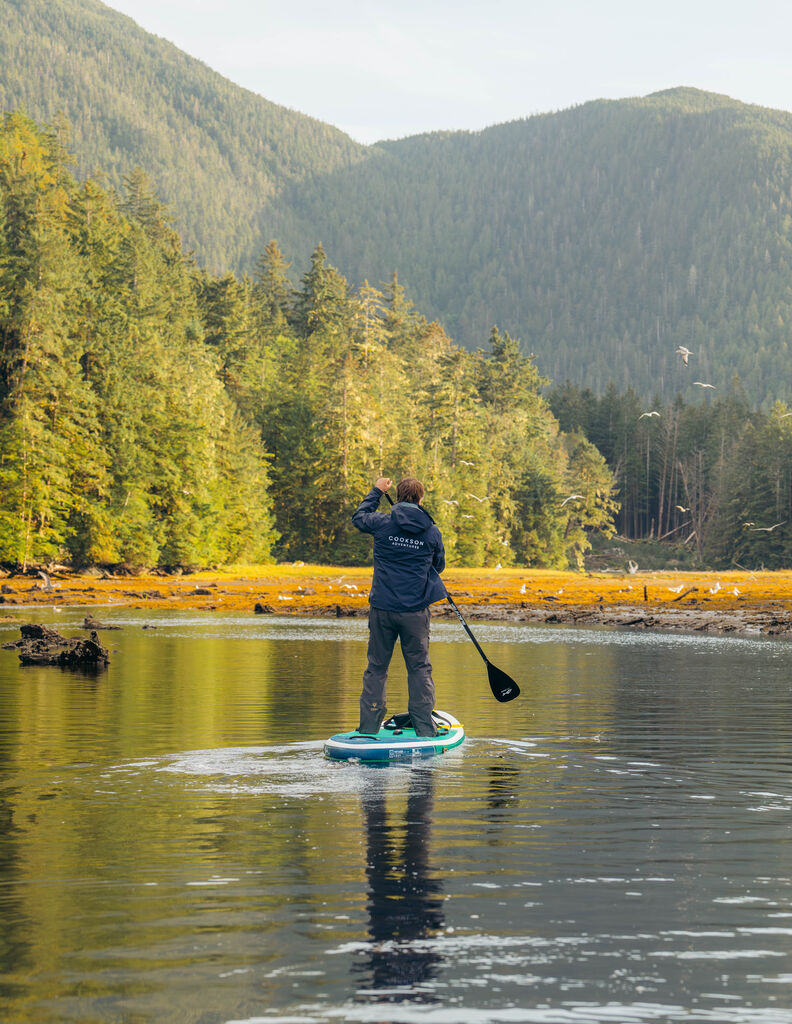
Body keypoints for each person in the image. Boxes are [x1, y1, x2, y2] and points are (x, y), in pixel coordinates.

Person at [352, 476, 446, 737]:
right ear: (420, 498)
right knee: (419, 668)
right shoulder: (431, 531)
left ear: (400, 495)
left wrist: (377, 491)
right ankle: (425, 728)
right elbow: (438, 566)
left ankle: (369, 727)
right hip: (415, 612)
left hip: (382, 608)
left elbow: (359, 518)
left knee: (377, 667)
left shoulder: (383, 522)